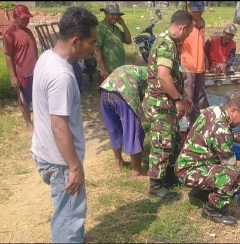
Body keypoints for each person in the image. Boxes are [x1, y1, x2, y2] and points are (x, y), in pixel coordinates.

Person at [31, 7, 98, 243]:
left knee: (65, 211)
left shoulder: (46, 57)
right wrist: (74, 167)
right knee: (68, 218)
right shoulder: (62, 76)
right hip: (61, 162)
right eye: (91, 42)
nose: (92, 48)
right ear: (76, 41)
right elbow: (59, 126)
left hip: (46, 153)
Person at [176, 91, 240, 226]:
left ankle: (200, 192)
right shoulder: (222, 130)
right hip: (190, 171)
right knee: (235, 175)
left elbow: (216, 131)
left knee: (220, 161)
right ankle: (212, 210)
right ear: (233, 111)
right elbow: (232, 164)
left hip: (187, 164)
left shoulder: (214, 111)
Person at [142, 10, 194, 199]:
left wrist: (184, 94)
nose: (187, 36)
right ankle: (155, 187)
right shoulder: (165, 45)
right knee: (162, 143)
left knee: (170, 139)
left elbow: (174, 75)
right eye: (188, 33)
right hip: (161, 102)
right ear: (183, 27)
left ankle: (166, 177)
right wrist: (177, 100)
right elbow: (163, 76)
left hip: (167, 101)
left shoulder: (170, 42)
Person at [99, 65, 149, 179]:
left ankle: (119, 162)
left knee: (114, 128)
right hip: (124, 91)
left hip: (105, 89)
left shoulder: (139, 69)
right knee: (133, 129)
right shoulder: (157, 75)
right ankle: (137, 172)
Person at [3, 4, 38, 132]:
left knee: (37, 97)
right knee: (23, 100)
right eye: (23, 18)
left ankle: (39, 120)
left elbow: (34, 51)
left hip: (35, 71)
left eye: (27, 18)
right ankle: (28, 123)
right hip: (21, 74)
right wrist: (13, 76)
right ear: (15, 18)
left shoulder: (28, 31)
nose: (26, 20)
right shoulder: (9, 34)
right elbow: (8, 56)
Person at [180, 1, 207, 127]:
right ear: (190, 9)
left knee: (199, 96)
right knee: (188, 96)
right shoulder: (186, 23)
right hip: (188, 66)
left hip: (200, 66)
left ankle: (194, 124)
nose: (198, 13)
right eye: (195, 10)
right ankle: (185, 124)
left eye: (200, 10)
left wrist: (206, 59)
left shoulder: (202, 22)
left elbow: (201, 44)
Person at [94, 2, 131, 81]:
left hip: (119, 69)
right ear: (105, 13)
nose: (115, 17)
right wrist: (103, 69)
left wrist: (123, 24)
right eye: (112, 14)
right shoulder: (101, 27)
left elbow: (128, 41)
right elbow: (96, 48)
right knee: (107, 93)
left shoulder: (116, 28)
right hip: (108, 70)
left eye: (117, 15)